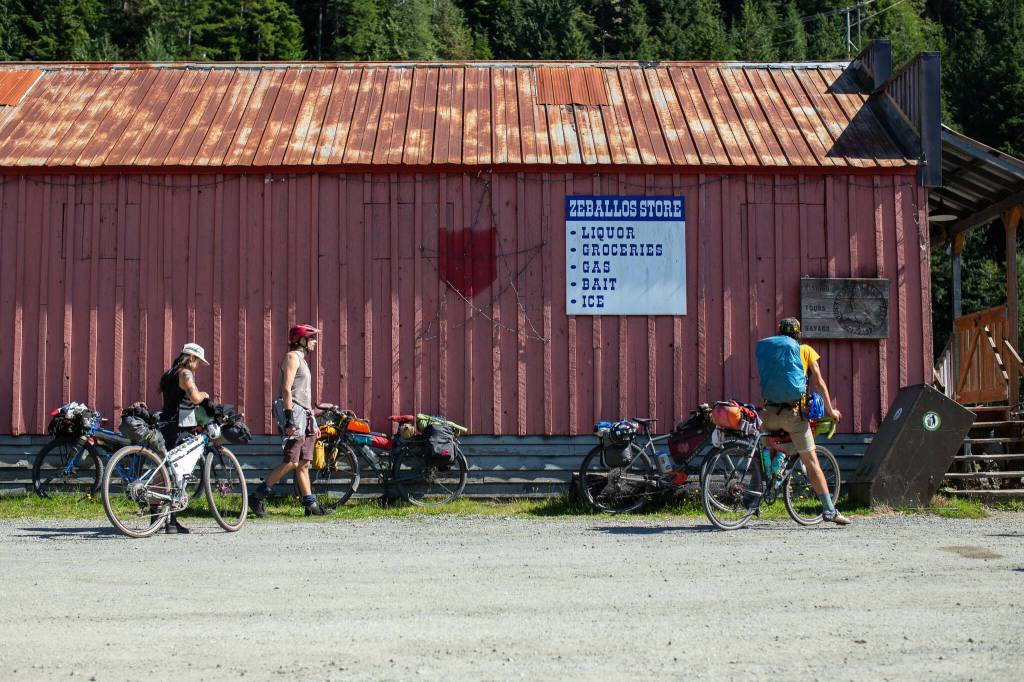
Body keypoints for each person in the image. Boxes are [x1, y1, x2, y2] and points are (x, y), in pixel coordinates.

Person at [756, 318, 850, 525]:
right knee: (811, 460)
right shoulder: (805, 350)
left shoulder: (772, 352)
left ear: (779, 333)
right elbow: (818, 382)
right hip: (793, 414)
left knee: (769, 450)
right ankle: (829, 511)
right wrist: (831, 410)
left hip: (769, 413)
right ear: (798, 335)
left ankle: (758, 496)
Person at [249, 324, 329, 517]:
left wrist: (314, 422)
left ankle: (311, 505)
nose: (315, 342)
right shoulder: (292, 357)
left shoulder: (302, 360)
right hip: (295, 415)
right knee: (292, 462)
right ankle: (257, 496)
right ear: (301, 340)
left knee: (303, 463)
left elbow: (304, 395)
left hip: (305, 416)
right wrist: (289, 418)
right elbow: (286, 389)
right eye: (311, 338)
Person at [156, 342, 211, 534]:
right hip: (178, 427)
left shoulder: (170, 373)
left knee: (164, 471)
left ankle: (156, 518)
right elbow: (195, 398)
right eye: (198, 362)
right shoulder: (186, 374)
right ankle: (171, 522)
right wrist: (204, 394)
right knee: (178, 472)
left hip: (164, 423)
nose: (198, 367)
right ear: (192, 358)